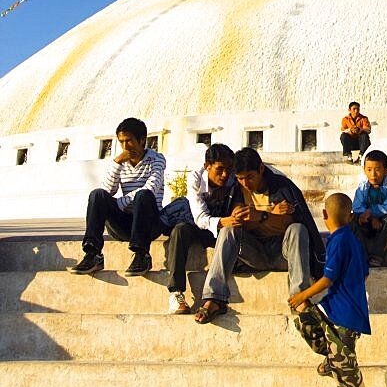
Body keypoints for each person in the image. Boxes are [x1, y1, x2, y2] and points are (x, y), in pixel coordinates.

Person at [195, 147, 325, 323]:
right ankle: (213, 297)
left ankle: (300, 297)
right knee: (227, 231)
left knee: (298, 230)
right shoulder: (238, 191)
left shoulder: (282, 187)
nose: (245, 183)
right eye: (240, 178)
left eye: (250, 177)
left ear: (261, 169)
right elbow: (238, 219)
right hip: (254, 252)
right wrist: (269, 213)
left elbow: (289, 223)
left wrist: (262, 216)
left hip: (283, 253)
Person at [288, 192, 374, 387]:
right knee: (305, 316)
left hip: (344, 315)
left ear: (324, 215)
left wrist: (302, 295)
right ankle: (330, 356)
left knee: (345, 369)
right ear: (350, 215)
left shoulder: (338, 241)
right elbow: (364, 273)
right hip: (336, 310)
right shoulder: (353, 240)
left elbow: (327, 278)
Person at [70, 117, 166, 276]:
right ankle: (93, 253)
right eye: (121, 142)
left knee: (144, 195)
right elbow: (107, 191)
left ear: (142, 140)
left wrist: (121, 202)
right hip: (124, 224)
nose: (125, 146)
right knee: (97, 194)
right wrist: (117, 162)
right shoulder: (121, 162)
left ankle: (141, 255)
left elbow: (151, 188)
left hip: (149, 223)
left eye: (129, 140)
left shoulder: (157, 159)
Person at [159, 142, 243, 313]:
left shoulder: (233, 179)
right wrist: (224, 221)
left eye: (228, 169)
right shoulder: (195, 179)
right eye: (219, 169)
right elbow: (200, 217)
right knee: (180, 230)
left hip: (221, 230)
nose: (225, 174)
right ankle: (176, 292)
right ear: (207, 166)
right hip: (199, 224)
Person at [351, 149, 387, 267]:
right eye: (369, 170)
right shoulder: (363, 186)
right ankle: (360, 257)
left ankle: (376, 257)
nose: (373, 174)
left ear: (386, 171)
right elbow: (357, 206)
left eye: (377, 170)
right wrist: (370, 216)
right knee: (353, 218)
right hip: (368, 220)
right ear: (364, 170)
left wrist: (372, 212)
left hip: (385, 221)